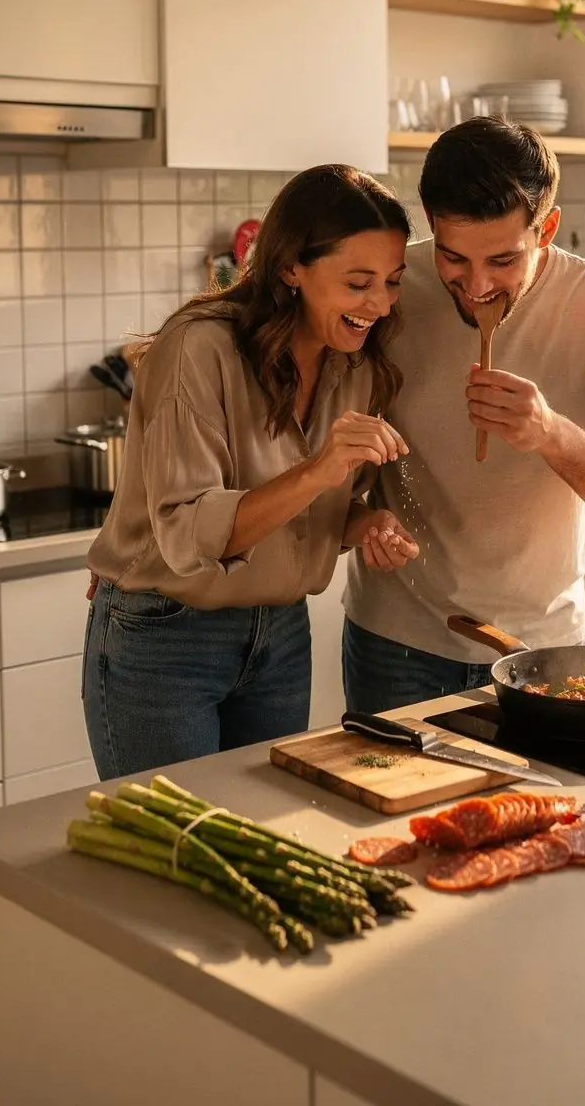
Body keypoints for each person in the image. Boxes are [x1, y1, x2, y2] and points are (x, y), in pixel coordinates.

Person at [83, 164, 419, 777]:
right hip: (168, 634)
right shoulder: (198, 348)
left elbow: (320, 511)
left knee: (263, 827)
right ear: (292, 268)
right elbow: (189, 535)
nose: (379, 304)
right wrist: (318, 471)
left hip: (283, 636)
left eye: (392, 282)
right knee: (174, 853)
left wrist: (365, 523)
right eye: (359, 282)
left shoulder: (358, 365)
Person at [343, 118, 585, 713]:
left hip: (544, 645)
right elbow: (326, 440)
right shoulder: (389, 292)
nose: (476, 285)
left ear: (546, 228)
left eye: (502, 260)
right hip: (396, 643)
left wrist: (553, 434)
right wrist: (360, 517)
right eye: (453, 258)